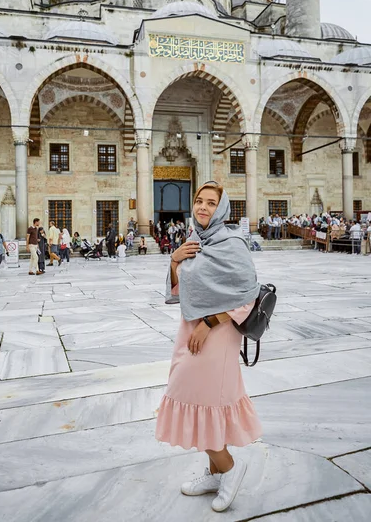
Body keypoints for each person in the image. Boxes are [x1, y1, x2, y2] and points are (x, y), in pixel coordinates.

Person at [156, 181, 262, 513]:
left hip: (217, 333)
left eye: (211, 203)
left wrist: (208, 323)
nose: (203, 207)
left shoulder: (232, 242)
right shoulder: (194, 241)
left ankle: (230, 468)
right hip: (191, 329)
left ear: (223, 208)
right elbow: (180, 292)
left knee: (200, 397)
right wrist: (174, 261)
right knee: (197, 400)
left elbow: (247, 295)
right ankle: (216, 473)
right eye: (199, 201)